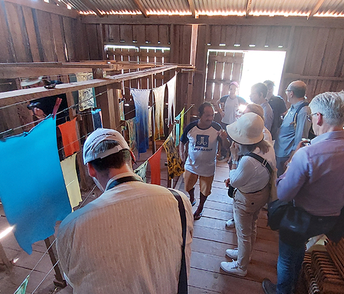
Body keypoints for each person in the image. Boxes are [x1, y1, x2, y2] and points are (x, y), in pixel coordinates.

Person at [262, 91, 344, 294]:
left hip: (300, 219)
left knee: (287, 258)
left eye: (311, 117)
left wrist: (291, 164)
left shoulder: (307, 154)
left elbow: (284, 194)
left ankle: (282, 291)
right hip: (333, 219)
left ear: (318, 117)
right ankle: (295, 284)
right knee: (299, 251)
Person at [56, 128, 194, 294]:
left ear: (90, 169)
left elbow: (73, 280)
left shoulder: (71, 227)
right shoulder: (179, 201)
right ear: (132, 157)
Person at [220, 113, 276, 277]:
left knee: (243, 232)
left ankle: (241, 267)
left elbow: (235, 181)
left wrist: (235, 157)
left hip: (247, 198)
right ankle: (244, 254)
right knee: (252, 227)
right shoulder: (267, 147)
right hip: (261, 194)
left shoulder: (248, 161)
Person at [225, 103, 273, 229]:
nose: (244, 116)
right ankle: (237, 218)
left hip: (250, 183)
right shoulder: (247, 131)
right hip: (245, 173)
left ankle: (239, 223)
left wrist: (235, 159)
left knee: (245, 228)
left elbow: (250, 167)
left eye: (248, 114)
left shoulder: (264, 136)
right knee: (250, 223)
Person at [180, 102, 223, 220]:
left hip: (208, 166)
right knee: (188, 185)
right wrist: (182, 154)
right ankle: (192, 198)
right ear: (200, 115)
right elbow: (182, 141)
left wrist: (223, 137)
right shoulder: (191, 127)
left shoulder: (217, 128)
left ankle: (200, 207)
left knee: (205, 190)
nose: (210, 118)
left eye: (212, 115)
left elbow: (226, 144)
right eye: (207, 115)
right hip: (191, 165)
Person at [274, 80, 311, 176]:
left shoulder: (303, 111)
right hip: (280, 150)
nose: (286, 93)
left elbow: (301, 137)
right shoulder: (293, 107)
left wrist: (291, 158)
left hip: (286, 154)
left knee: (280, 180)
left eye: (287, 91)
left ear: (291, 93)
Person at [217, 82, 247, 161]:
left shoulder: (239, 99)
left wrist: (241, 113)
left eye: (234, 89)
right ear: (229, 89)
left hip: (234, 122)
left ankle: (231, 155)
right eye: (231, 89)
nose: (232, 91)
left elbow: (247, 104)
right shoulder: (225, 98)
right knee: (223, 137)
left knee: (232, 138)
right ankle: (223, 154)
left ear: (236, 90)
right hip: (225, 121)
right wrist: (220, 111)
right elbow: (217, 103)